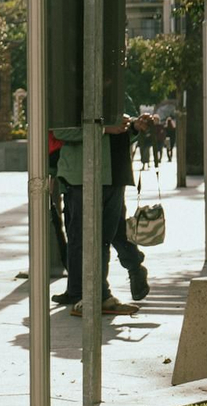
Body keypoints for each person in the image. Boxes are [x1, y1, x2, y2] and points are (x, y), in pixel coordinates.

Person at [50, 117, 146, 315]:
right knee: (81, 237)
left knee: (106, 235)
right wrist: (102, 129)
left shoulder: (116, 93)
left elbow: (123, 130)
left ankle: (99, 293)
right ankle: (83, 292)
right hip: (81, 176)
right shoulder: (69, 94)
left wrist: (134, 127)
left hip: (113, 173)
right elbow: (61, 130)